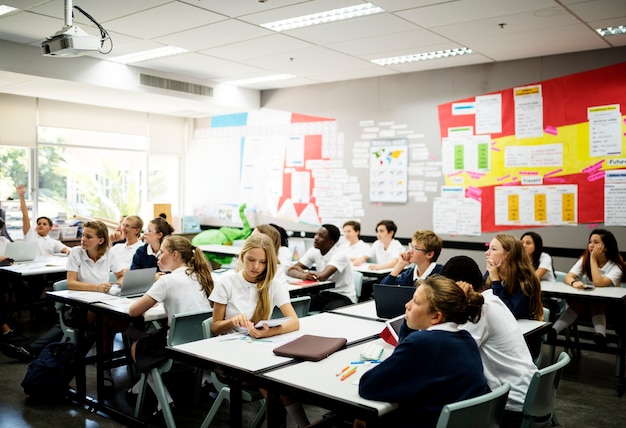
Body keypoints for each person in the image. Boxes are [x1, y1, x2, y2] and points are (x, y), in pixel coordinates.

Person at [358, 276, 490, 428]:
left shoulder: (423, 344)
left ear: (436, 316)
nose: (407, 305)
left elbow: (368, 386)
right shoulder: (465, 338)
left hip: (427, 421)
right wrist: (409, 325)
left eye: (416, 302)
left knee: (361, 419)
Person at [209, 233, 308, 427]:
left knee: (283, 383)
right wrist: (231, 322)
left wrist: (268, 332)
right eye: (251, 260)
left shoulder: (273, 284)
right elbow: (215, 327)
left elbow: (294, 322)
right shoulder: (227, 283)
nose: (256, 267)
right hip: (230, 355)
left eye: (262, 262)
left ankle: (303, 424)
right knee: (274, 385)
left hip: (261, 348)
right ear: (242, 257)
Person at [442, 256, 538, 428]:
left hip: (510, 406)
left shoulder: (480, 311)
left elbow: (449, 352)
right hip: (527, 393)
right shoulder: (493, 300)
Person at [128, 235, 214, 415]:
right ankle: (141, 387)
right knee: (153, 337)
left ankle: (164, 401)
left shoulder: (166, 281)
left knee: (137, 346)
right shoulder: (203, 275)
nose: (158, 258)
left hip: (177, 347)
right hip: (203, 343)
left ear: (175, 255)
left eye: (162, 253)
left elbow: (133, 311)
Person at [66, 220, 125, 386]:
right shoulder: (76, 252)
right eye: (83, 235)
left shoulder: (109, 253)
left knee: (104, 323)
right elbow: (71, 283)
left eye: (88, 236)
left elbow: (121, 274)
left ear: (100, 240)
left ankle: (105, 370)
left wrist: (120, 280)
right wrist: (97, 287)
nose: (83, 239)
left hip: (103, 304)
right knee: (105, 315)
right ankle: (131, 332)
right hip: (79, 308)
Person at [552, 229, 626, 347]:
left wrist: (593, 259)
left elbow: (598, 282)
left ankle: (600, 335)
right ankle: (553, 331)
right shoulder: (584, 259)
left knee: (594, 301)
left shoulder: (616, 266)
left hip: (612, 310)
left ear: (606, 247)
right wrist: (574, 282)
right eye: (590, 242)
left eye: (596, 242)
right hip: (588, 306)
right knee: (583, 301)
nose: (591, 245)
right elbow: (568, 277)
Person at [287, 224, 357, 311]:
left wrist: (303, 272)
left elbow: (323, 276)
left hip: (343, 296)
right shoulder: (314, 251)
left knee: (327, 311)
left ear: (330, 242)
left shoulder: (340, 255)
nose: (316, 238)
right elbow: (291, 270)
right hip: (324, 293)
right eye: (316, 234)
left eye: (321, 236)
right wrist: (303, 276)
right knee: (297, 305)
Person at [485, 234, 543, 321]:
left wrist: (496, 281)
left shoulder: (525, 281)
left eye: (493, 249)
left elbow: (508, 313)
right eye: (488, 248)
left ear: (508, 255)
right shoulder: (491, 273)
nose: (487, 253)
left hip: (520, 330)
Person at [16, 184, 69, 255]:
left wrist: (67, 251)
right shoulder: (30, 234)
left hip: (45, 265)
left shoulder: (53, 242)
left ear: (50, 228)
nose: (41, 225)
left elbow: (66, 249)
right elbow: (25, 216)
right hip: (29, 265)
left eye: (44, 224)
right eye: (39, 224)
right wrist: (21, 197)